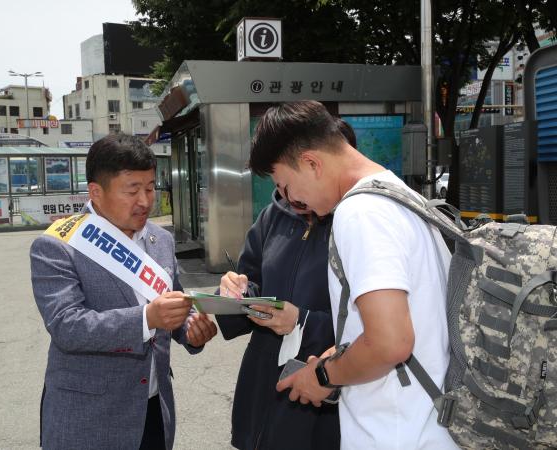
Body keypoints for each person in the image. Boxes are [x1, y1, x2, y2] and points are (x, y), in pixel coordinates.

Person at [249, 101, 458, 449]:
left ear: (312, 163)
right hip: (425, 424)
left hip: (397, 433)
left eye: (287, 188)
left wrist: (323, 375)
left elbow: (390, 342)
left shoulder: (362, 213)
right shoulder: (400, 196)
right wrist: (334, 358)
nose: (293, 202)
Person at [30, 134, 217, 450]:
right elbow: (68, 326)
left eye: (150, 188)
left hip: (153, 410)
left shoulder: (161, 240)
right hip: (88, 420)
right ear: (96, 192)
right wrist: (147, 318)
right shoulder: (58, 246)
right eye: (132, 190)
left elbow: (176, 299)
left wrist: (191, 328)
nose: (145, 201)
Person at [214, 117, 355, 450]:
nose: (287, 196)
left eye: (288, 184)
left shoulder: (356, 224)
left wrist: (302, 322)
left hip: (321, 389)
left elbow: (372, 329)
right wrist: (236, 293)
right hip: (264, 380)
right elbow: (253, 281)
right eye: (279, 186)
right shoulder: (272, 216)